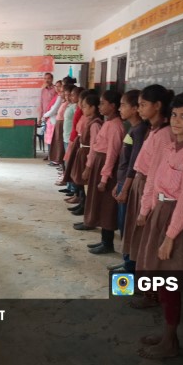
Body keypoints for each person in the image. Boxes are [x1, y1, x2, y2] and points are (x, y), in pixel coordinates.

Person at [135, 92, 183, 359]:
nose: (177, 121)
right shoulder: (168, 147)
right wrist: (145, 208)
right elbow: (153, 179)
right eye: (175, 115)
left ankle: (170, 340)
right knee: (158, 275)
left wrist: (170, 237)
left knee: (170, 281)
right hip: (159, 212)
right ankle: (167, 334)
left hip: (176, 220)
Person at [118, 84, 174, 280]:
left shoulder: (164, 134)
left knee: (143, 235)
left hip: (147, 189)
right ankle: (132, 270)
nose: (139, 109)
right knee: (134, 232)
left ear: (157, 106)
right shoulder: (153, 130)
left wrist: (145, 207)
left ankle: (139, 279)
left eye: (143, 105)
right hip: (140, 184)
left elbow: (155, 174)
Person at [83, 90, 125, 253]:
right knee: (100, 203)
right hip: (100, 164)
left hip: (107, 168)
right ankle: (103, 240)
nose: (99, 107)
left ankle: (108, 243)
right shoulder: (108, 122)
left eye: (102, 103)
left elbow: (112, 154)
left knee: (107, 206)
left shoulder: (115, 126)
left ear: (112, 106)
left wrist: (104, 178)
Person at [112, 89, 146, 237]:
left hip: (128, 183)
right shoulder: (133, 128)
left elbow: (134, 164)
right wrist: (118, 184)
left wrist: (125, 189)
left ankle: (127, 253)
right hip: (122, 181)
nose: (120, 109)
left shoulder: (140, 131)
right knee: (121, 221)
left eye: (123, 105)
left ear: (134, 109)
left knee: (126, 223)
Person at [71, 92, 104, 230]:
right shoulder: (90, 121)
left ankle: (89, 217)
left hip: (89, 157)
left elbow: (94, 146)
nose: (82, 109)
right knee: (84, 186)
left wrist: (89, 166)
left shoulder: (95, 124)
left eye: (85, 106)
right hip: (85, 154)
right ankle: (84, 211)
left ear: (93, 107)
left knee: (88, 188)